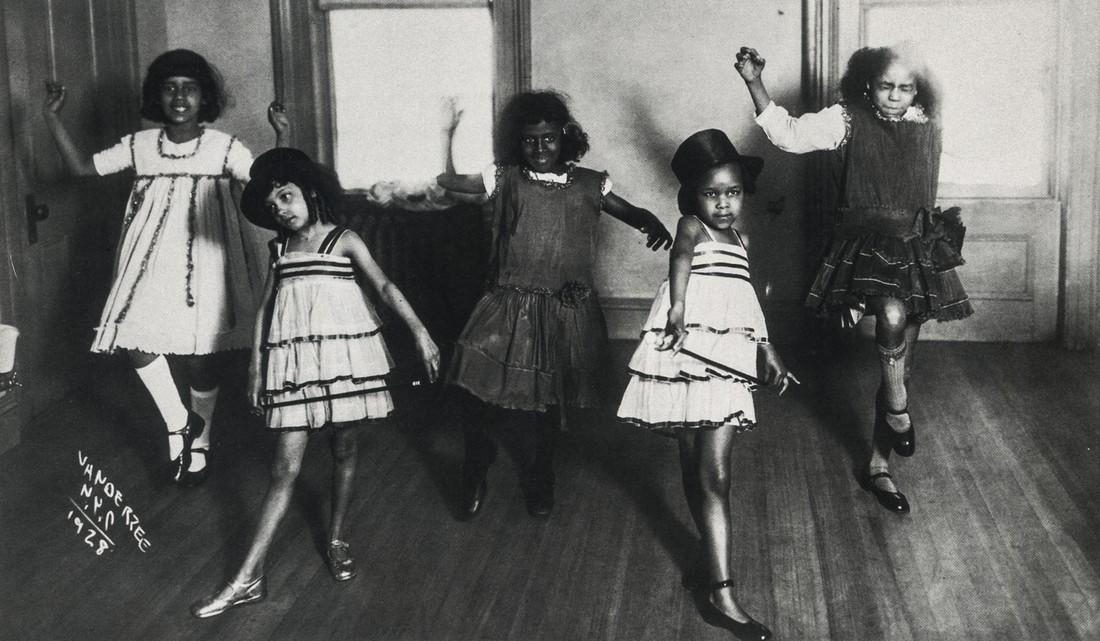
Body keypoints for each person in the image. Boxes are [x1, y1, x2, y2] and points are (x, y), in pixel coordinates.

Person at [191, 147, 440, 618]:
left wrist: (421, 333)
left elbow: (384, 287)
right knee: (283, 471)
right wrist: (256, 368)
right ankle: (248, 577)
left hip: (346, 360)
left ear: (309, 192)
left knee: (344, 449)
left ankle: (337, 536)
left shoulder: (343, 239)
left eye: (286, 196)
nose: (281, 209)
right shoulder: (279, 249)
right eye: (271, 206)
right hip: (297, 369)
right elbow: (266, 309)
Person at [734, 44, 972, 513]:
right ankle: (899, 410)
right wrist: (754, 81)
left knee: (898, 365)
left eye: (906, 87)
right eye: (886, 86)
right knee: (890, 312)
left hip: (915, 250)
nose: (896, 96)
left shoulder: (929, 124)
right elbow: (787, 135)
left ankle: (879, 466)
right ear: (868, 84)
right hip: (866, 247)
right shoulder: (847, 119)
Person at [42, 49, 288, 486]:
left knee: (200, 361)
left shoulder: (224, 147)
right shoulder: (139, 146)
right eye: (170, 88)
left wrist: (282, 135)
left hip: (209, 264)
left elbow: (272, 184)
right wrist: (52, 119)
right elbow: (82, 168)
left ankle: (199, 448)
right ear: (158, 97)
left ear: (203, 98)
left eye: (189, 89)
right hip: (151, 264)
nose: (179, 97)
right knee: (134, 337)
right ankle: (179, 423)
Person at [437, 91, 673, 519]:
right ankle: (476, 466)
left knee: (546, 404)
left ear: (565, 137)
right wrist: (447, 135)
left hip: (563, 311)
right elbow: (448, 182)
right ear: (517, 142)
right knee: (478, 394)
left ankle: (541, 475)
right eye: (530, 141)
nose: (540, 149)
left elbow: (630, 210)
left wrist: (651, 221)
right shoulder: (503, 178)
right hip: (508, 306)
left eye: (548, 139)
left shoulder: (589, 183)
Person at [618, 129, 795, 641]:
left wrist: (768, 349)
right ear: (693, 197)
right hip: (685, 347)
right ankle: (709, 561)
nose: (722, 203)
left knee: (714, 473)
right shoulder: (690, 227)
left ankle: (721, 591)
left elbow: (748, 303)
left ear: (744, 194)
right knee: (694, 467)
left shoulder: (743, 240)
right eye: (711, 193)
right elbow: (678, 260)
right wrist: (676, 307)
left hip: (726, 359)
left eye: (732, 192)